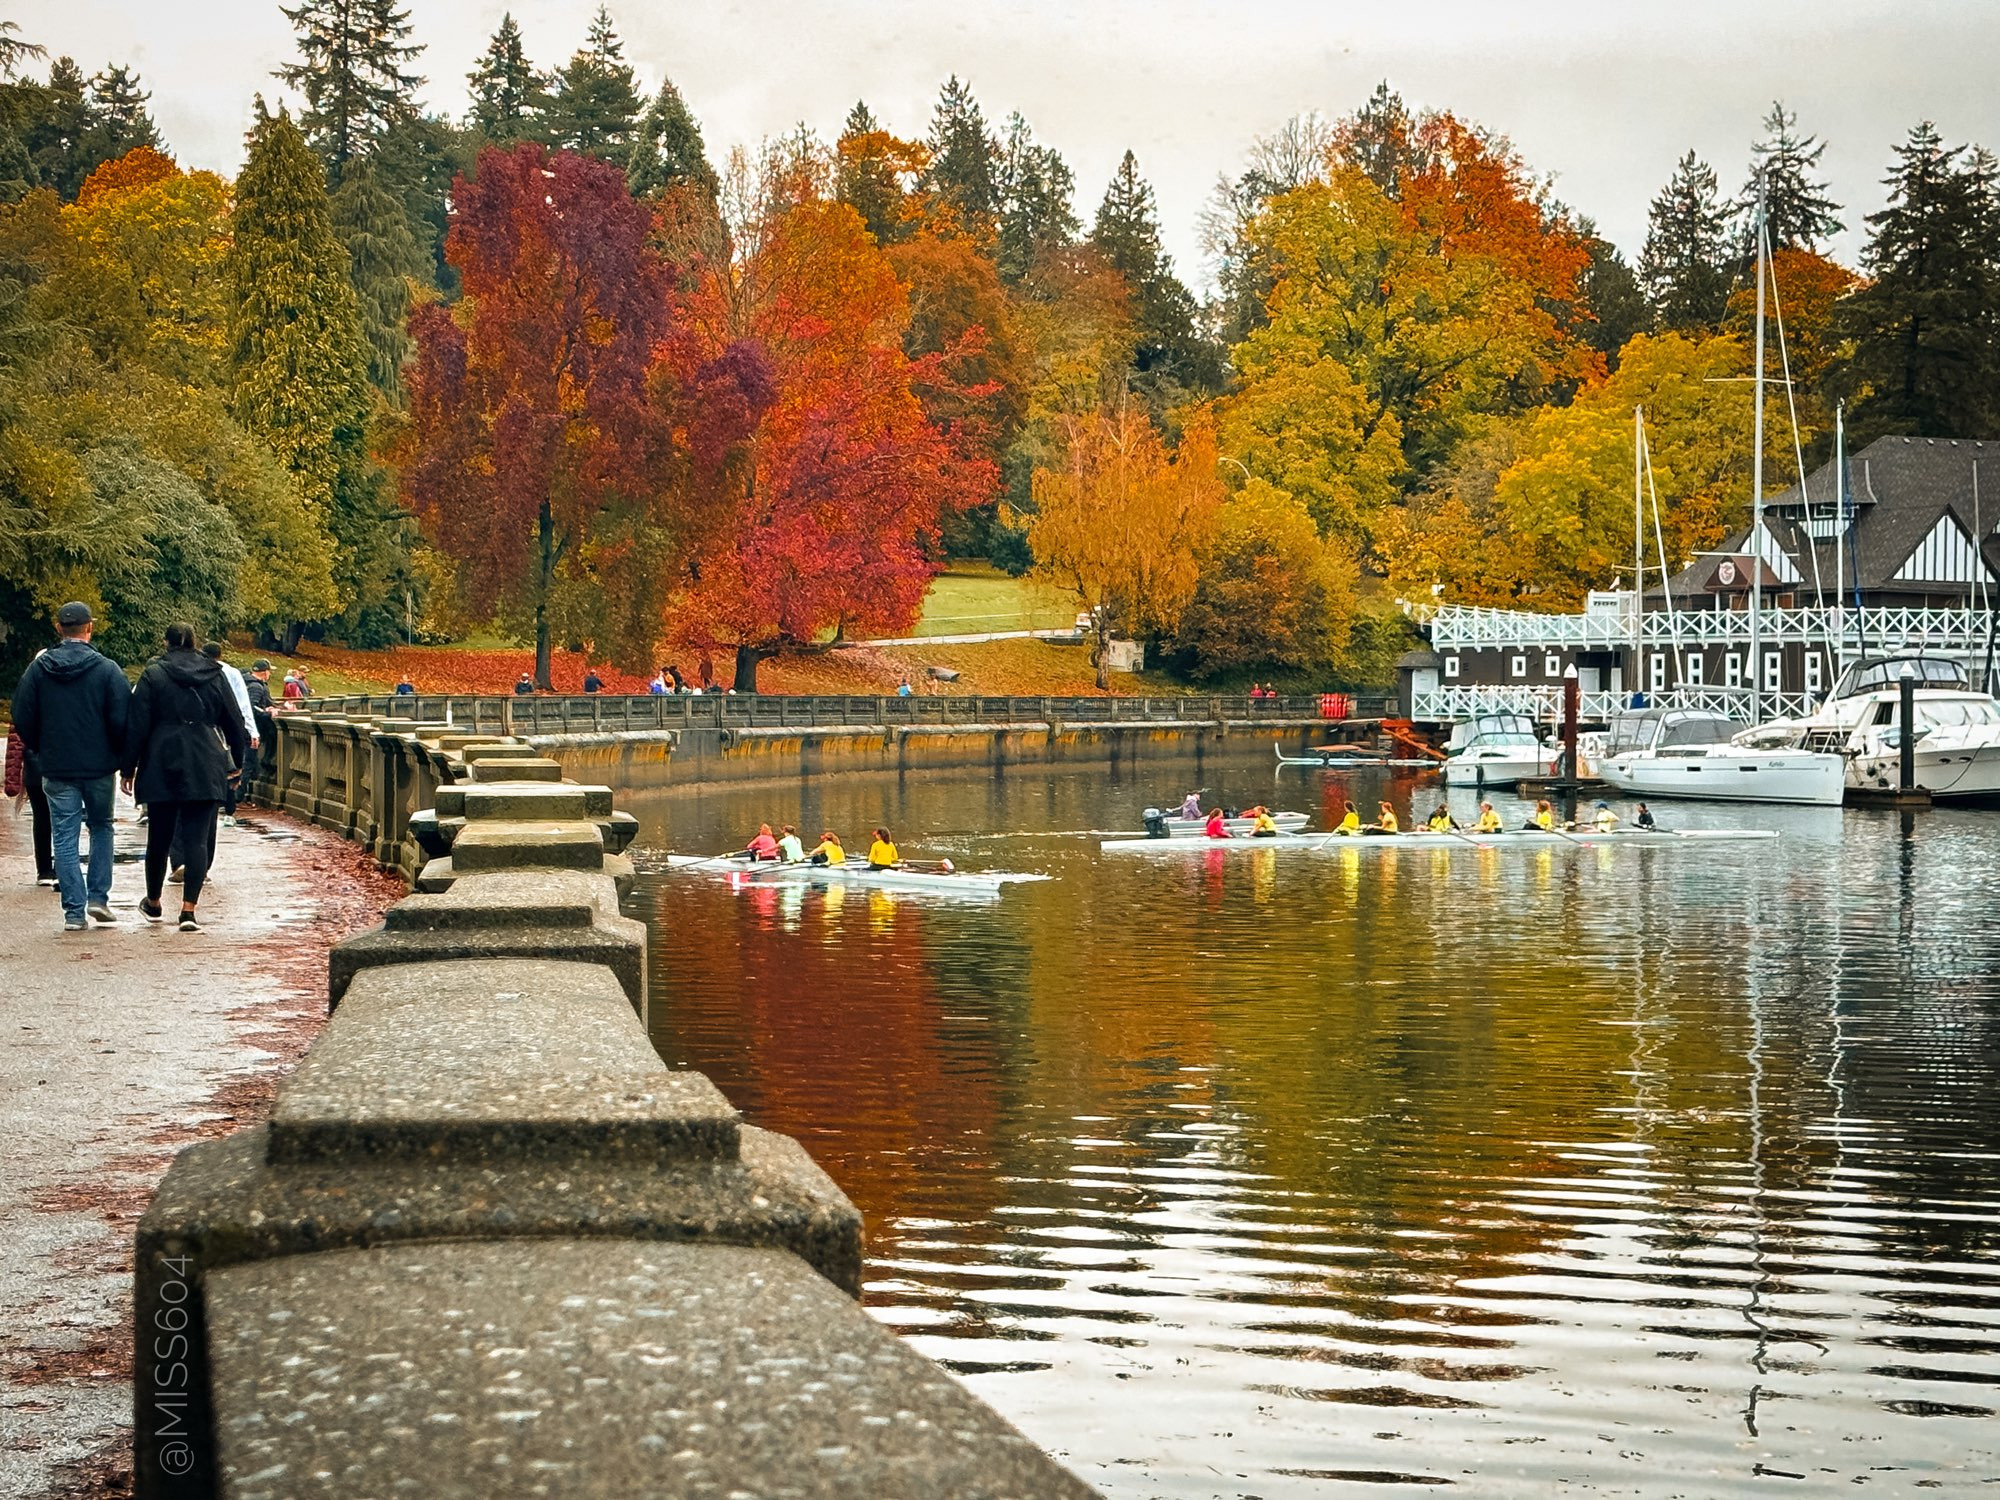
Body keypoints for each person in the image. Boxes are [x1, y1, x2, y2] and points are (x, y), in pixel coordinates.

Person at [10, 603, 128, 931]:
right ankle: (98, 896)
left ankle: (74, 911)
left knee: (64, 833)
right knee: (102, 826)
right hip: (100, 765)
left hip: (56, 764)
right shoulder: (107, 670)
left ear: (59, 628)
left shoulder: (38, 670)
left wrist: (40, 745)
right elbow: (121, 720)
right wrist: (119, 755)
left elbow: (22, 715)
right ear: (89, 628)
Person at [123, 622, 246, 932]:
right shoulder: (214, 673)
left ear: (167, 643)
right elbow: (235, 722)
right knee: (197, 837)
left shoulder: (154, 674)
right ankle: (188, 910)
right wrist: (237, 764)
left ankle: (153, 901)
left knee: (159, 837)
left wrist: (128, 767)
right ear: (195, 642)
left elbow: (137, 724)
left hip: (161, 757)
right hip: (205, 758)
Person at [202, 643, 257, 829]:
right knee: (230, 768)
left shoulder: (196, 671)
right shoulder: (230, 673)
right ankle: (229, 810)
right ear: (220, 654)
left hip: (204, 729)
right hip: (225, 728)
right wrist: (251, 730)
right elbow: (242, 703)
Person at [5, 692, 56, 887]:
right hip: (61, 764)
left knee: (42, 817)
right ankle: (60, 868)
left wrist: (12, 779)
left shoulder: (28, 695)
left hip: (35, 766)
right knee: (63, 817)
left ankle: (44, 869)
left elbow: (16, 740)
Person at [243, 661, 276, 802]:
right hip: (252, 730)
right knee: (248, 763)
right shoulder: (256, 686)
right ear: (264, 672)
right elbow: (252, 707)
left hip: (246, 729)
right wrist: (267, 714)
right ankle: (236, 798)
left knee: (248, 761)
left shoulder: (246, 681)